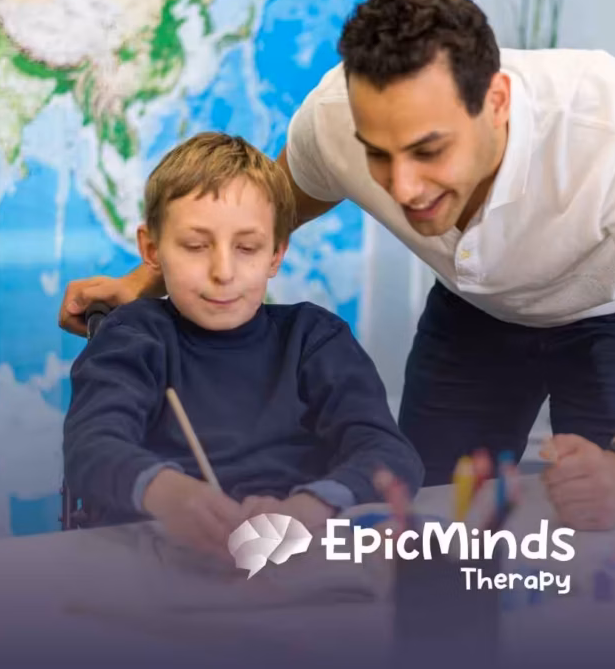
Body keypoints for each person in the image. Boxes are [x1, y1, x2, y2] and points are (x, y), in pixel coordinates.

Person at [60, 0, 615, 531]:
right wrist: (142, 283)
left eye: (428, 150)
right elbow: (247, 220)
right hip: (473, 313)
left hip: (611, 317)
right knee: (425, 520)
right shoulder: (331, 122)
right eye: (377, 155)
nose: (403, 188)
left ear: (495, 102)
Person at [63, 132, 423, 556]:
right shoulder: (133, 336)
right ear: (152, 250)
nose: (223, 271)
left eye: (247, 247)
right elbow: (91, 446)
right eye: (196, 246)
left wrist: (309, 508)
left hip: (293, 560)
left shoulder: (314, 338)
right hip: (158, 560)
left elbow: (389, 454)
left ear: (276, 254)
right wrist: (169, 494)